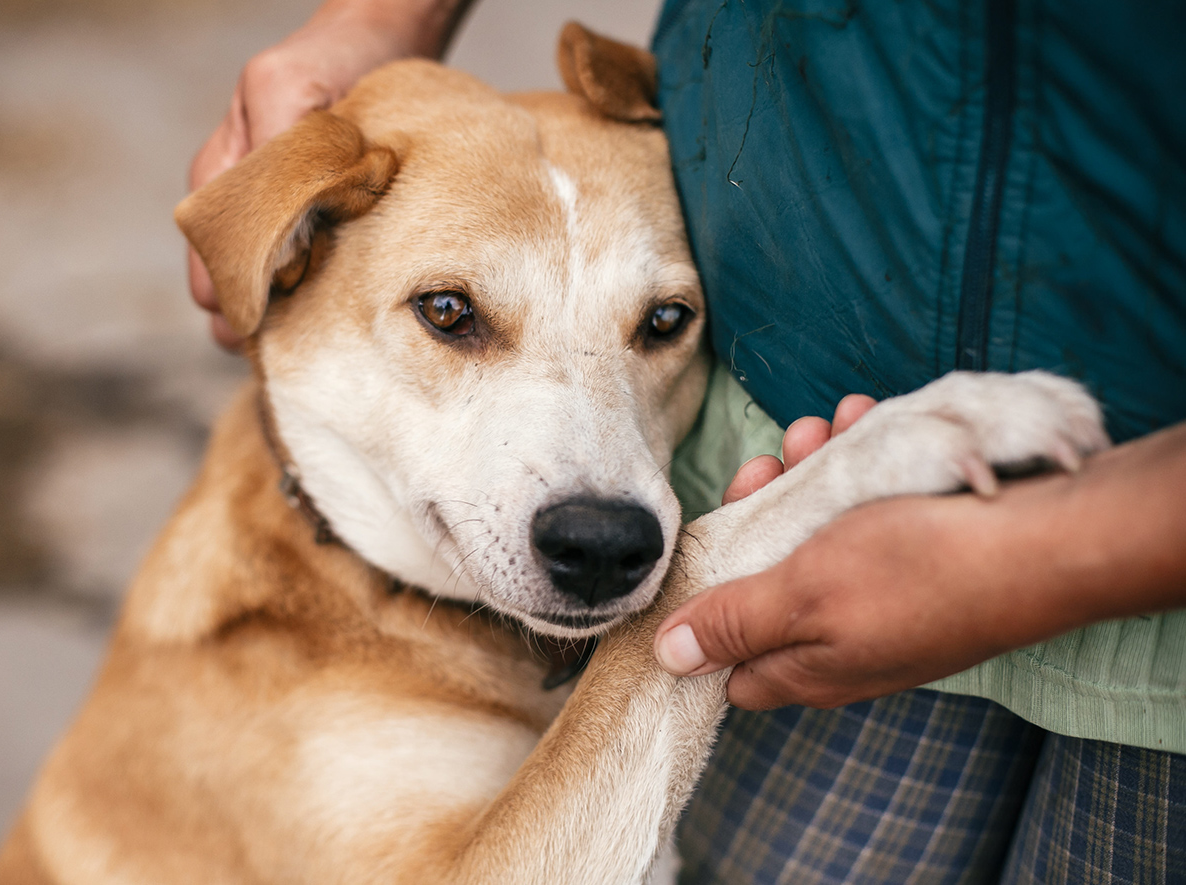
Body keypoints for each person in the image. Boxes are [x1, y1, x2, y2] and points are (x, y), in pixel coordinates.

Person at [186, 1, 1186, 880]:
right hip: (828, 489)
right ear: (291, 251)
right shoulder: (234, 661)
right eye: (452, 313)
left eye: (658, 324)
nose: (588, 486)